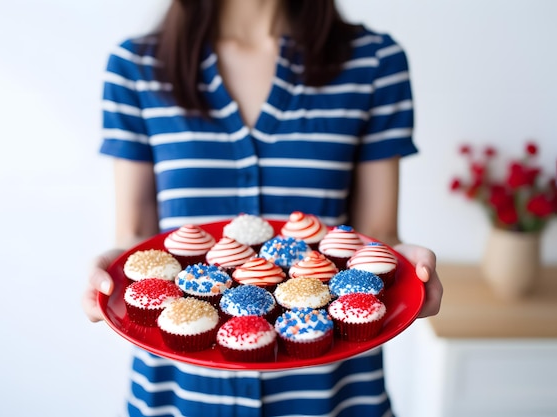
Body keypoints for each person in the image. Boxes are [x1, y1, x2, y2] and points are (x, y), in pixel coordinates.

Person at [82, 0, 444, 416]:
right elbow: (138, 239)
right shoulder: (137, 65)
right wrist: (113, 267)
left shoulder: (374, 61)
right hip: (180, 392)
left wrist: (404, 264)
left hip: (330, 394)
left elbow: (374, 239)